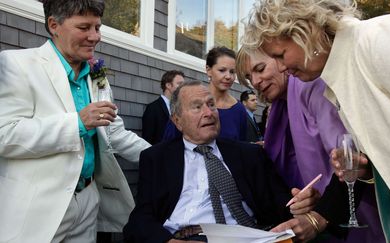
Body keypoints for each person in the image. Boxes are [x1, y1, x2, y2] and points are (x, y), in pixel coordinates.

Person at [242, 0, 390, 241]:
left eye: (280, 55)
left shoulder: (382, 41)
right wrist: (365, 168)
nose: (281, 67)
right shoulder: (340, 79)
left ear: (306, 32)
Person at [0, 0, 151, 242]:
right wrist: (77, 123)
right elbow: (5, 135)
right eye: (84, 28)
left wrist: (168, 158)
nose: (95, 37)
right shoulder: (16, 64)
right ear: (54, 25)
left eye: (98, 27)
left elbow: (114, 134)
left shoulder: (97, 77)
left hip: (88, 201)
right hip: (36, 210)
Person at [123, 81, 320, 243]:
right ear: (177, 121)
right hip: (186, 237)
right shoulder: (156, 158)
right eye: (197, 107)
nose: (208, 113)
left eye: (211, 105)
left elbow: (284, 203)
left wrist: (302, 204)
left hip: (248, 236)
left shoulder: (250, 154)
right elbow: (140, 220)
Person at [235, 46, 388, 242]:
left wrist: (318, 217)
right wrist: (312, 199)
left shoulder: (309, 85)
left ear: (281, 60)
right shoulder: (279, 106)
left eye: (260, 68)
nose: (255, 82)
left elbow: (349, 159)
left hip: (361, 210)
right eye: (249, 77)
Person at [163, 46, 247, 141]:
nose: (228, 76)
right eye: (222, 70)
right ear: (208, 70)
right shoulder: (187, 101)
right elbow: (169, 143)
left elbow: (242, 147)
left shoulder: (239, 109)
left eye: (232, 72)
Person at [141, 70, 185, 144]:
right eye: (179, 84)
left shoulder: (182, 109)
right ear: (168, 85)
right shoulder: (153, 108)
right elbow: (147, 139)